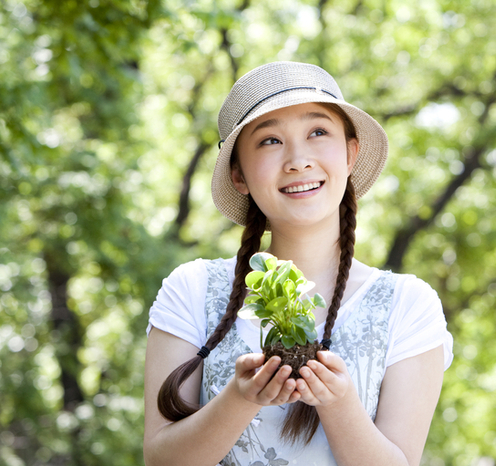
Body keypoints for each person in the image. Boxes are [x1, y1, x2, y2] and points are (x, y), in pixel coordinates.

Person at [143, 61, 454, 466]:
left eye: (318, 132)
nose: (298, 160)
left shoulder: (407, 305)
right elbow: (160, 459)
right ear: (239, 175)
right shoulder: (193, 289)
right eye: (270, 141)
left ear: (350, 153)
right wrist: (240, 398)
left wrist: (338, 403)